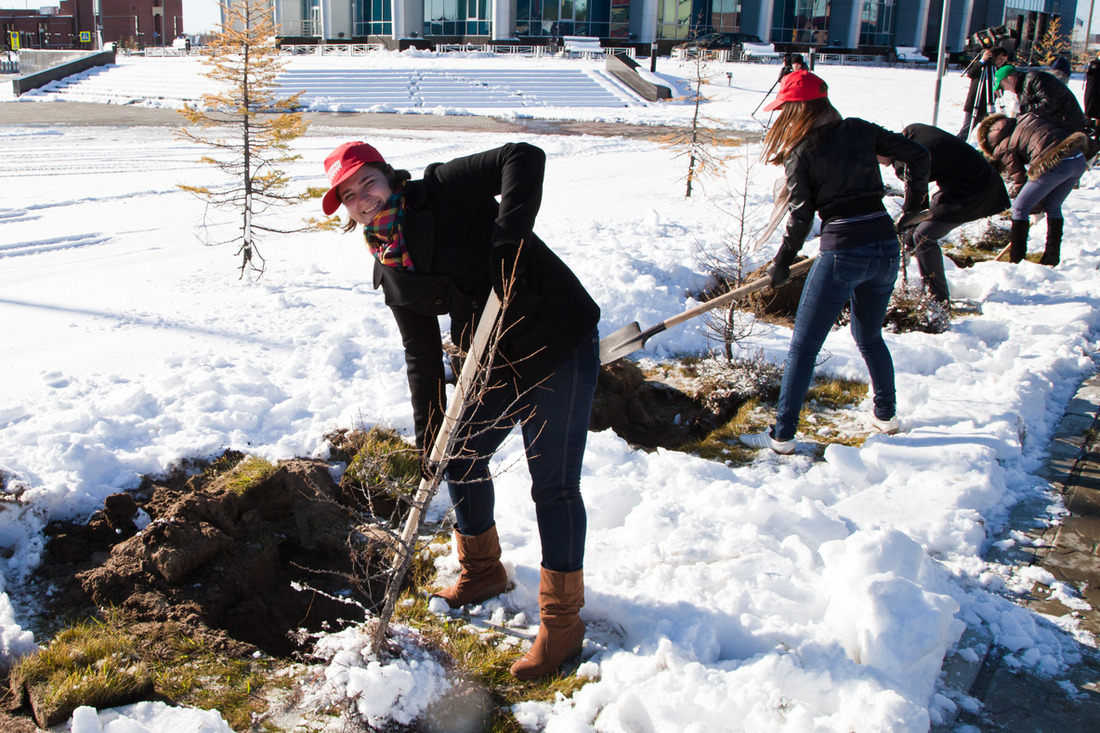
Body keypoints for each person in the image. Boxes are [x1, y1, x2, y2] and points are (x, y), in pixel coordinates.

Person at [320, 141, 600, 679]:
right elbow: (421, 355)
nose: (362, 200)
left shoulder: (439, 189)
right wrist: (431, 438)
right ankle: (482, 570)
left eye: (367, 183)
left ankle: (562, 623)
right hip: (492, 354)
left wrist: (507, 238)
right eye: (349, 195)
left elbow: (523, 156)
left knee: (554, 485)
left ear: (388, 175)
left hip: (554, 338)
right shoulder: (390, 261)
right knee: (460, 453)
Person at [738, 71, 930, 454]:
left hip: (844, 251)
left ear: (797, 108)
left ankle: (783, 437)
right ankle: (886, 415)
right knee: (869, 336)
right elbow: (919, 155)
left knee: (803, 347)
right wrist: (914, 205)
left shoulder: (800, 152)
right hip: (885, 249)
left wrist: (781, 262)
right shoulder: (859, 129)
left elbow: (801, 216)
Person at [885, 123, 1010, 305]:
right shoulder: (914, 132)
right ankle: (926, 287)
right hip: (976, 181)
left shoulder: (904, 162)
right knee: (915, 233)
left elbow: (916, 201)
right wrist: (906, 237)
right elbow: (918, 201)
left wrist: (907, 229)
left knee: (924, 235)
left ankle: (937, 300)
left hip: (973, 192)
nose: (878, 163)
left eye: (875, 157)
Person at [976, 112, 1090, 266]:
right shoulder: (1024, 118)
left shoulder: (1001, 147)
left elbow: (1019, 179)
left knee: (1020, 208)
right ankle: (1051, 257)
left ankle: (1016, 260)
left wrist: (1035, 209)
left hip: (1054, 162)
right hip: (1077, 159)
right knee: (1053, 206)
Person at [998, 67, 1088, 133]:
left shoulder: (1036, 79)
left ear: (1011, 79)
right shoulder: (1021, 88)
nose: (1005, 90)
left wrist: (1022, 109)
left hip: (1067, 123)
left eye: (1003, 86)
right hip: (1055, 124)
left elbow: (1049, 104)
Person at [959, 47, 1010, 139]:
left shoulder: (999, 71)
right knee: (966, 131)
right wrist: (983, 60)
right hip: (975, 104)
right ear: (994, 57)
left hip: (989, 106)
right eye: (1000, 59)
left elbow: (1000, 88)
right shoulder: (982, 67)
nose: (1002, 62)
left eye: (1004, 60)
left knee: (991, 132)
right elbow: (971, 73)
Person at [1084, 52, 1100, 143]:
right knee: (1088, 113)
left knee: (1099, 116)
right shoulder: (1094, 64)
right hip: (1092, 91)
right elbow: (1091, 72)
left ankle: (1097, 137)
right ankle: (1085, 133)